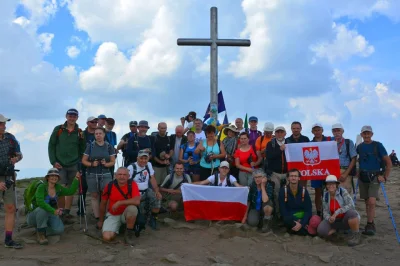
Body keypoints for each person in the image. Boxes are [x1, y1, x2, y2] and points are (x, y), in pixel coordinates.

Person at [48, 108, 85, 222]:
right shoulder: (58, 129)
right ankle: (61, 211)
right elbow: (51, 145)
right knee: (60, 188)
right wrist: (53, 161)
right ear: (66, 116)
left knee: (71, 189)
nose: (72, 118)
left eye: (74, 116)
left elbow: (82, 148)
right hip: (60, 164)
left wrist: (80, 161)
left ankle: (67, 212)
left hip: (74, 164)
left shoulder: (79, 132)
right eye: (70, 116)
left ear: (77, 118)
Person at [26, 168, 80, 245]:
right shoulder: (41, 187)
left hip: (49, 213)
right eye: (52, 175)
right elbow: (40, 202)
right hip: (34, 215)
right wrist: (54, 211)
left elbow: (70, 192)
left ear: (58, 178)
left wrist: (76, 178)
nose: (54, 177)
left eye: (56, 176)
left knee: (59, 230)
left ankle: (41, 229)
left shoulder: (58, 188)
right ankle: (41, 235)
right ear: (47, 177)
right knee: (42, 209)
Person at [357, 125, 391, 236]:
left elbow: (388, 162)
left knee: (372, 201)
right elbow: (356, 159)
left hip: (375, 176)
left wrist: (385, 176)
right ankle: (369, 223)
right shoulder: (359, 147)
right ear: (361, 134)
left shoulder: (378, 145)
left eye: (368, 133)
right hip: (363, 176)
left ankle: (371, 224)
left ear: (372, 134)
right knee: (367, 202)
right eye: (364, 133)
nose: (366, 135)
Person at [97, 167, 140, 245]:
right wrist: (100, 220)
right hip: (113, 214)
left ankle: (128, 234)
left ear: (128, 176)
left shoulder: (132, 184)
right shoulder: (109, 186)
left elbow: (137, 201)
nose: (122, 176)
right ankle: (120, 227)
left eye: (124, 174)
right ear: (115, 175)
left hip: (126, 214)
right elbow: (103, 203)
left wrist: (120, 202)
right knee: (107, 237)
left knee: (132, 209)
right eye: (119, 174)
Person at [81, 127, 115, 222]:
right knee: (94, 195)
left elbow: (113, 161)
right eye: (96, 134)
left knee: (106, 195)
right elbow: (83, 160)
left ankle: (106, 215)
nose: (98, 135)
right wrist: (91, 164)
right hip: (92, 174)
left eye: (100, 133)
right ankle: (97, 217)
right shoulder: (90, 146)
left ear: (104, 135)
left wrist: (106, 164)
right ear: (94, 135)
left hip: (106, 173)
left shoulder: (109, 146)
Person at [317, 175, 361, 246]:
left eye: (333, 183)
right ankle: (337, 230)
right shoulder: (325, 195)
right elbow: (325, 211)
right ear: (326, 185)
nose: (330, 186)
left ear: (336, 184)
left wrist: (337, 212)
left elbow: (351, 205)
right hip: (334, 220)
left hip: (345, 218)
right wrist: (329, 218)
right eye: (328, 184)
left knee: (352, 213)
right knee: (321, 231)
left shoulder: (342, 192)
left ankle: (356, 234)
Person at [0, 114, 23, 249]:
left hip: (8, 176)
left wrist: (16, 159)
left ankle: (8, 239)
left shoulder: (11, 138)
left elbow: (19, 154)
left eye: (4, 123)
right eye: (1, 123)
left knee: (10, 208)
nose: (4, 126)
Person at [127, 150, 162, 230]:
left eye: (145, 158)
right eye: (141, 158)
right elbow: (126, 182)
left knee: (157, 198)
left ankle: (153, 219)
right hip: (135, 192)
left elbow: (152, 178)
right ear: (137, 158)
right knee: (140, 217)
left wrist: (157, 191)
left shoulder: (149, 165)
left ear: (148, 159)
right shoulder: (131, 167)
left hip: (146, 190)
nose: (143, 160)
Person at [279, 169, 320, 236]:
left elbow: (308, 209)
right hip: (291, 218)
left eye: (295, 176)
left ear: (299, 178)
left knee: (316, 220)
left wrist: (302, 223)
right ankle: (305, 231)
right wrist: (296, 221)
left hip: (303, 217)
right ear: (288, 178)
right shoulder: (283, 191)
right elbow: (283, 210)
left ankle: (299, 229)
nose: (293, 178)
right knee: (286, 220)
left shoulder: (304, 190)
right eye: (291, 176)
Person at [310, 123, 332, 216]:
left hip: (328, 170)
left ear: (322, 130)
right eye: (315, 130)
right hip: (316, 171)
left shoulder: (330, 140)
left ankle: (329, 210)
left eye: (318, 130)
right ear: (312, 132)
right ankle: (319, 211)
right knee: (318, 192)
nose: (317, 132)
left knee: (330, 191)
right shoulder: (310, 143)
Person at [77, 116, 97, 217]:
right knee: (83, 187)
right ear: (87, 123)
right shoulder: (82, 134)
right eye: (92, 122)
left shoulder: (99, 133)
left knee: (97, 188)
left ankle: (96, 211)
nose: (94, 123)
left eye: (96, 122)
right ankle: (81, 210)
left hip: (96, 164)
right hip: (83, 163)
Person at [265, 126, 288, 216]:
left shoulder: (289, 143)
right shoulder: (270, 144)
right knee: (276, 193)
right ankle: (278, 213)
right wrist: (280, 150)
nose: (279, 134)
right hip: (275, 173)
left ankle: (286, 212)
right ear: (275, 133)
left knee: (287, 193)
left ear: (285, 133)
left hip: (287, 173)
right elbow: (269, 156)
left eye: (281, 132)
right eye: (278, 132)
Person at [332, 123, 357, 195]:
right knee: (333, 194)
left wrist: (346, 174)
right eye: (334, 131)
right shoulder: (330, 143)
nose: (336, 133)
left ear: (342, 131)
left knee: (345, 195)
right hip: (332, 172)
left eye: (338, 130)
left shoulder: (348, 142)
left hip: (345, 171)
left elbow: (353, 159)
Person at [286, 121, 310, 187]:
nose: (296, 130)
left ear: (301, 128)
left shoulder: (306, 139)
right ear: (291, 129)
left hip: (303, 167)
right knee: (291, 187)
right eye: (294, 128)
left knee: (302, 187)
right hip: (291, 167)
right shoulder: (287, 140)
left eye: (297, 128)